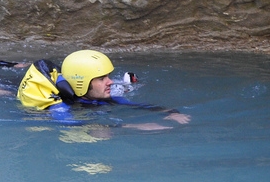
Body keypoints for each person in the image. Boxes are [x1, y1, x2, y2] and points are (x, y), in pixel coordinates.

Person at [17, 49, 191, 128]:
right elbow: (71, 124)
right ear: (82, 83)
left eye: (108, 76)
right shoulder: (58, 106)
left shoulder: (95, 95)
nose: (110, 82)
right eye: (101, 78)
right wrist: (131, 126)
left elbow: (135, 104)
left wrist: (171, 112)